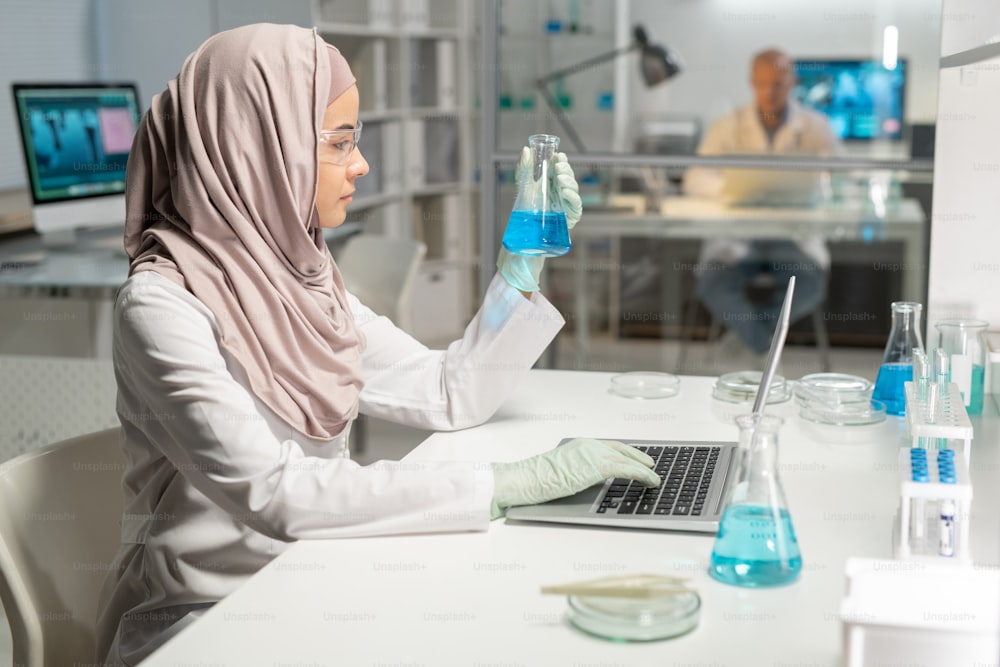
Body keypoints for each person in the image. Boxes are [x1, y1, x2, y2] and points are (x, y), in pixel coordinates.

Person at [94, 23, 660, 665]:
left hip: (313, 577)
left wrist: (520, 267)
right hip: (208, 624)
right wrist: (502, 482)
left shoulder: (303, 280)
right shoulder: (161, 307)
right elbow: (276, 494)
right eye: (338, 143)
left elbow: (450, 393)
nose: (360, 164)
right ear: (256, 148)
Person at [683, 48, 843, 356]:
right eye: (762, 83)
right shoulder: (727, 126)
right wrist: (735, 188)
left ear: (792, 82)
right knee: (713, 285)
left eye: (778, 83)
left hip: (792, 236)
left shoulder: (816, 127)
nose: (770, 91)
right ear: (752, 82)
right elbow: (694, 179)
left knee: (810, 286)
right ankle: (764, 343)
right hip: (739, 236)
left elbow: (842, 177)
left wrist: (815, 184)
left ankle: (750, 338)